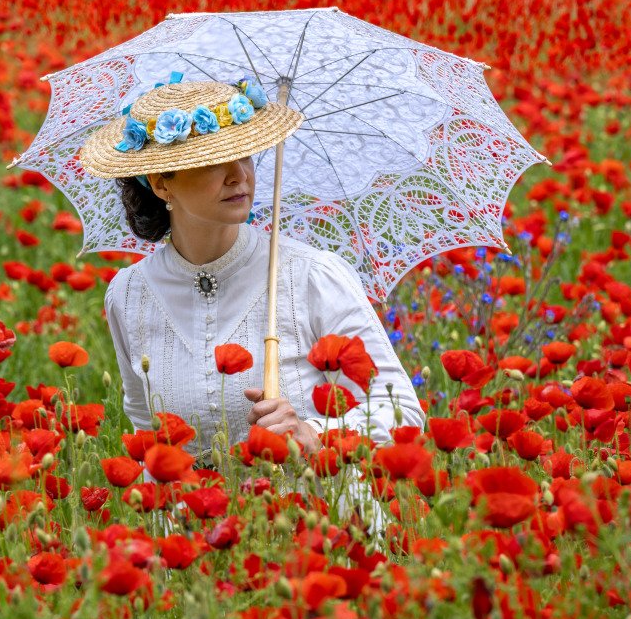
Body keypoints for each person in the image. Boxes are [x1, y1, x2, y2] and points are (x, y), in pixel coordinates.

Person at [75, 79, 425, 462]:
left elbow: (403, 413)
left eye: (245, 153)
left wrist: (314, 434)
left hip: (314, 515)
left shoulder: (310, 276)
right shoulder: (129, 294)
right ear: (161, 184)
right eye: (212, 161)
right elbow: (147, 432)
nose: (238, 174)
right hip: (194, 520)